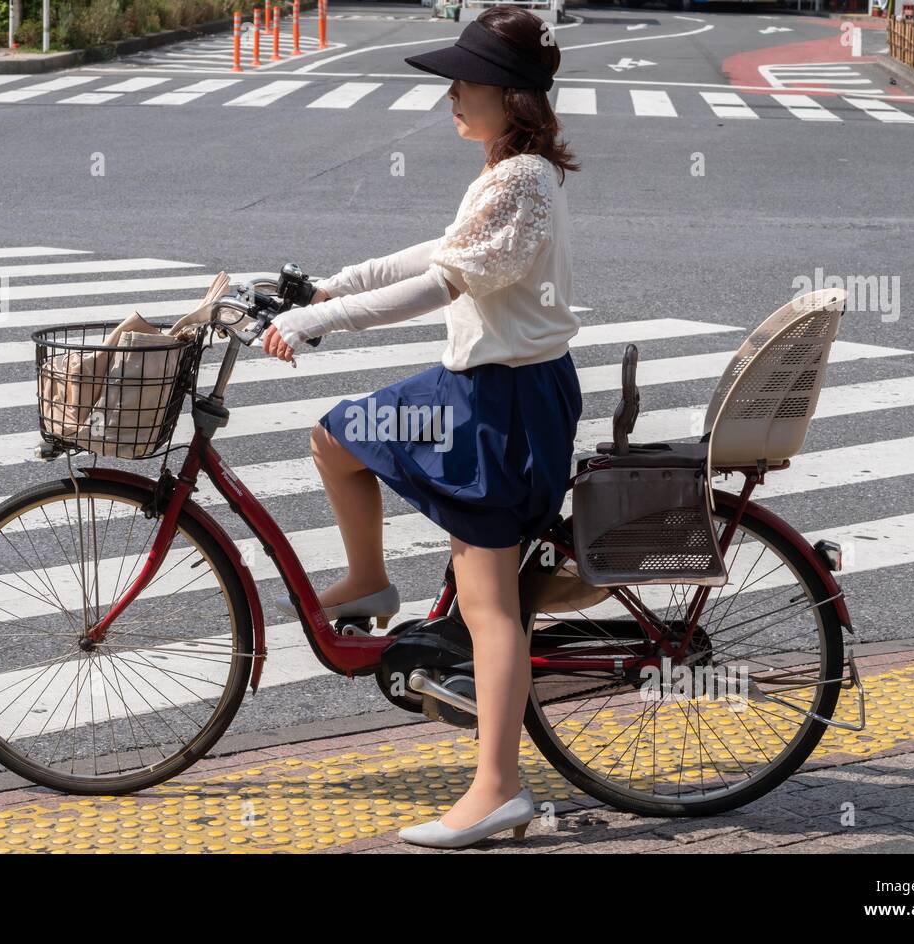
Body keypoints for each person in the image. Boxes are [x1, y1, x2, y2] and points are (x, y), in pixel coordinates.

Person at [262, 5, 582, 849]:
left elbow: (439, 285)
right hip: (482, 387)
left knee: (490, 607)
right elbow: (437, 252)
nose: (451, 95)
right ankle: (370, 582)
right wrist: (335, 286)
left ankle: (500, 787)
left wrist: (314, 326)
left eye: (464, 82)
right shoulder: (508, 171)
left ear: (512, 96)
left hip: (501, 407)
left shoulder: (519, 182)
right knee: (337, 436)